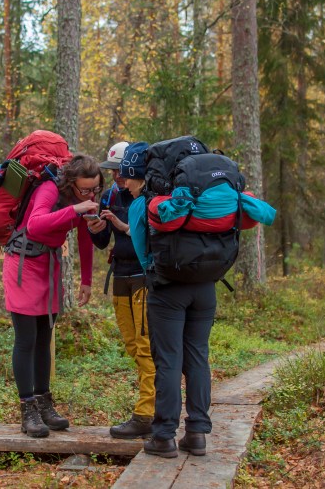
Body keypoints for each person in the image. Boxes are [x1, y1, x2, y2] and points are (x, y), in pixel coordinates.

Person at [123, 141, 215, 458]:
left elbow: (142, 254)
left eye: (127, 177)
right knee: (198, 357)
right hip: (205, 286)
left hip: (168, 289)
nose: (125, 183)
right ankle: (197, 433)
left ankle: (164, 437)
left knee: (168, 360)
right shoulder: (195, 198)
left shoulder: (143, 205)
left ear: (141, 176)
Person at [3, 154, 102, 438]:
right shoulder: (49, 189)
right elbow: (35, 225)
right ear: (71, 183)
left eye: (95, 188)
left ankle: (44, 403)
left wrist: (86, 280)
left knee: (44, 338)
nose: (90, 194)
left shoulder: (83, 198)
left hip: (49, 266)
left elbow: (84, 235)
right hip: (23, 264)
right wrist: (75, 209)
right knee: (27, 339)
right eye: (84, 189)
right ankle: (27, 409)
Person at [87, 142, 155, 439]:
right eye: (112, 171)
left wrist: (124, 225)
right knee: (131, 345)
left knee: (145, 345)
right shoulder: (109, 196)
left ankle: (146, 414)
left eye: (120, 171)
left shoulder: (147, 195)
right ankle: (154, 408)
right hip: (120, 275)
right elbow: (103, 242)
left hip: (143, 277)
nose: (116, 176)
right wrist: (95, 230)